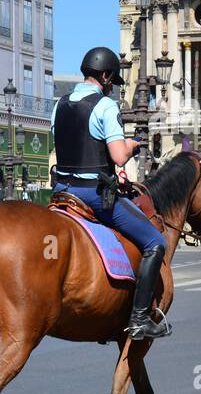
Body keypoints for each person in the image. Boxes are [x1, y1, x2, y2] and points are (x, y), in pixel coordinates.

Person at [51, 46, 168, 340]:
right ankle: (140, 318)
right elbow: (118, 156)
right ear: (105, 76)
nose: (111, 87)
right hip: (91, 194)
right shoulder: (105, 106)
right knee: (155, 241)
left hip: (61, 190)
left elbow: (76, 144)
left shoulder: (59, 104)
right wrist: (132, 145)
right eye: (111, 81)